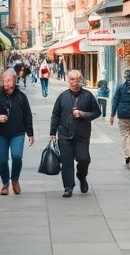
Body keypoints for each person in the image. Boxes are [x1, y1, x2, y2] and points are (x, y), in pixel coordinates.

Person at [49, 69, 101, 197]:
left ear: (81, 81)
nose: (74, 82)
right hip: (64, 134)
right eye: (72, 80)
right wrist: (52, 132)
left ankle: (81, 176)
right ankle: (68, 187)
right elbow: (55, 114)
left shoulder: (88, 96)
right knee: (67, 161)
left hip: (82, 135)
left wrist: (83, 114)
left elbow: (97, 112)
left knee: (83, 159)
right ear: (68, 81)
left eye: (77, 80)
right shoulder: (62, 96)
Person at [0, 69, 35, 195]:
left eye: (9, 80)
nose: (6, 83)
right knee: (2, 160)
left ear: (14, 80)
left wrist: (30, 133)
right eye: (4, 80)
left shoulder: (21, 97)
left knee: (17, 156)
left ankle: (15, 180)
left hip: (17, 132)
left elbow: (27, 115)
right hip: (0, 133)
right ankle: (5, 183)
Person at [109, 69, 130, 166]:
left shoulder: (120, 87)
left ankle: (128, 154)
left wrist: (112, 115)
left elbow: (115, 101)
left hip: (123, 115)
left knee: (125, 135)